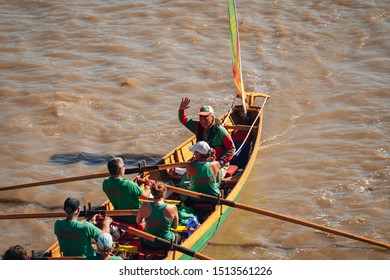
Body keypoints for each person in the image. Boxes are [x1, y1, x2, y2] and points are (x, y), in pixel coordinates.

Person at [178, 97, 235, 177]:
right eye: (201, 117)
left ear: (212, 117)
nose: (202, 119)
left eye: (206, 117)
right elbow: (184, 120)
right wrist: (181, 109)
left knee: (210, 176)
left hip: (219, 163)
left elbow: (231, 149)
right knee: (188, 175)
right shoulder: (197, 126)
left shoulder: (221, 131)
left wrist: (221, 162)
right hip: (202, 162)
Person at [102, 157, 151, 224]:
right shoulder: (128, 184)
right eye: (124, 166)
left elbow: (122, 191)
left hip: (119, 216)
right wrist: (148, 186)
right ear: (120, 169)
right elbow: (146, 196)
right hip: (136, 218)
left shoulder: (105, 183)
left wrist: (136, 186)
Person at [136, 181, 179, 249]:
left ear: (152, 193)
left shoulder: (144, 205)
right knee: (179, 237)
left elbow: (138, 221)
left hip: (148, 243)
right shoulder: (172, 208)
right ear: (164, 193)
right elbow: (175, 227)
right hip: (166, 243)